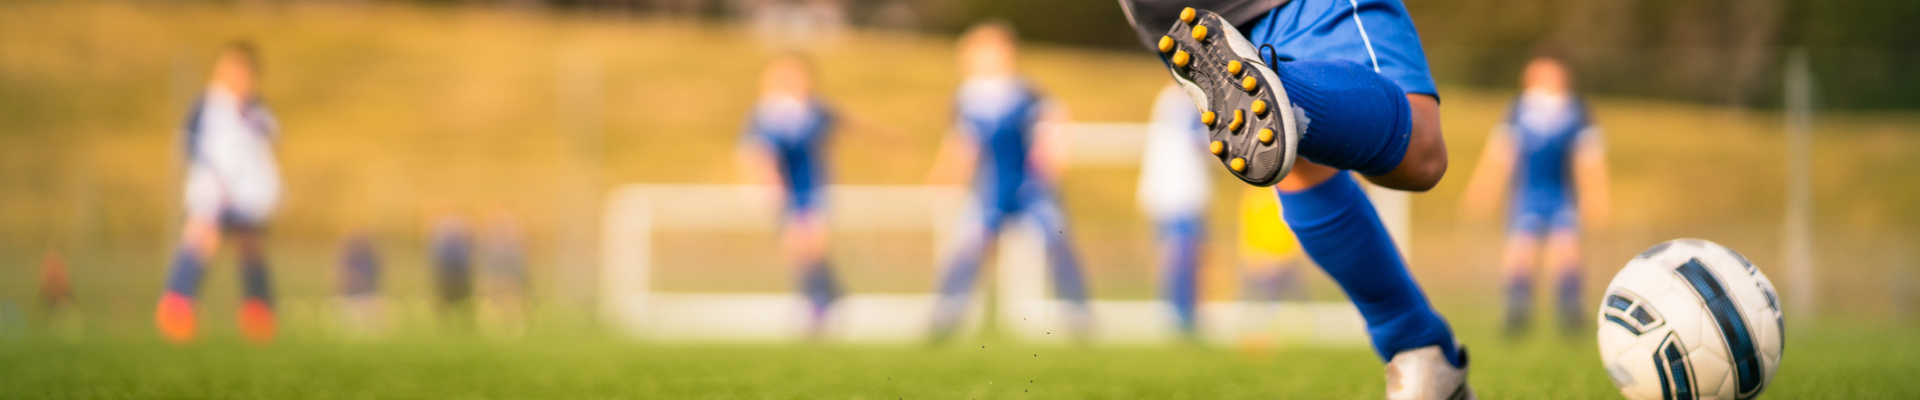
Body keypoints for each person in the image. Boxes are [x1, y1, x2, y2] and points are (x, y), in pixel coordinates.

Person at [1119, 2, 1471, 398]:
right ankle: (1279, 87)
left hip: (1169, 14)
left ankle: (1420, 353)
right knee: (1420, 153)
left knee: (1296, 155)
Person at [925, 21, 1091, 342]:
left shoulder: (1025, 90)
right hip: (991, 188)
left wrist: (1055, 153)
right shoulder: (966, 97)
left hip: (1031, 185)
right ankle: (945, 314)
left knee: (1057, 240)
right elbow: (963, 142)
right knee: (969, 247)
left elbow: (1056, 119)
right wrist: (946, 170)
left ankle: (1077, 313)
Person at [1459, 51, 1611, 335]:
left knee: (1566, 250)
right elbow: (1502, 153)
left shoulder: (1576, 110)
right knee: (1521, 250)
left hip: (1562, 194)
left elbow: (1588, 157)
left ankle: (1570, 309)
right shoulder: (1519, 108)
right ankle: (1517, 309)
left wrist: (1595, 194)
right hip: (1527, 194)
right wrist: (1483, 188)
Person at [154, 41, 283, 345]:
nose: (238, 79)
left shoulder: (256, 109)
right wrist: (209, 175)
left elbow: (271, 137)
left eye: (244, 73)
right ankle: (176, 306)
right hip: (213, 187)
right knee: (202, 238)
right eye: (231, 71)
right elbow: (189, 141)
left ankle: (258, 309)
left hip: (246, 191)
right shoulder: (208, 104)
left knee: (249, 245)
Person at [735, 53, 844, 337]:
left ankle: (821, 304)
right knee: (798, 250)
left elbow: (846, 121)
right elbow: (755, 151)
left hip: (814, 189)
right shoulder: (765, 114)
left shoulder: (817, 111)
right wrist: (765, 181)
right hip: (785, 192)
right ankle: (823, 299)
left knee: (814, 246)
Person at [1136, 83, 1214, 337]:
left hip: (1173, 192)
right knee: (1181, 255)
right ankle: (1181, 315)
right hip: (1179, 193)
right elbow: (1202, 142)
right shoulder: (1185, 102)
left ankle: (1180, 313)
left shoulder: (1169, 100)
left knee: (1179, 255)